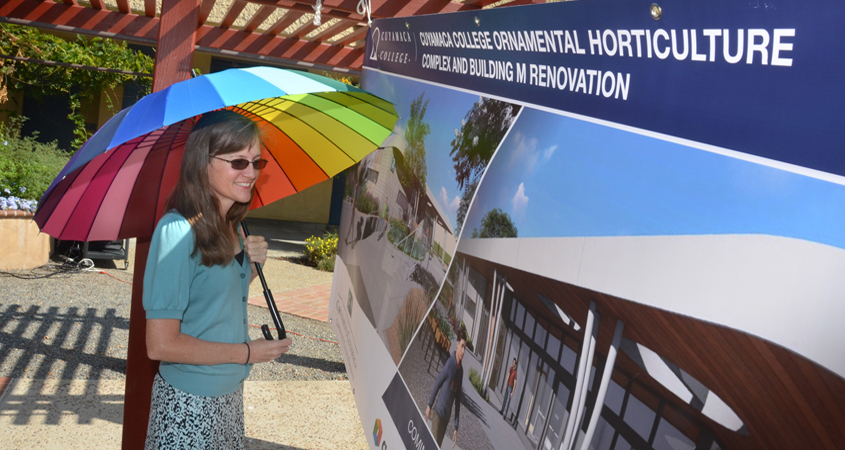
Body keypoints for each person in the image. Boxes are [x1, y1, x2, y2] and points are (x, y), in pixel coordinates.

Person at [143, 110, 292, 449]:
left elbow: (213, 300)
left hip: (229, 396)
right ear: (202, 162)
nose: (251, 173)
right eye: (238, 162)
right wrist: (246, 352)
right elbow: (160, 344)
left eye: (256, 162)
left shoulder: (235, 225)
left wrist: (251, 268)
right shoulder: (176, 232)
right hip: (189, 403)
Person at [426, 329, 467, 448]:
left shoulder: (461, 372)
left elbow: (457, 400)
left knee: (437, 446)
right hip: (438, 413)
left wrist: (456, 427)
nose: (463, 351)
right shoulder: (450, 364)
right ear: (457, 344)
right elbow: (438, 382)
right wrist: (429, 405)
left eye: (465, 348)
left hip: (445, 418)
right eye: (462, 346)